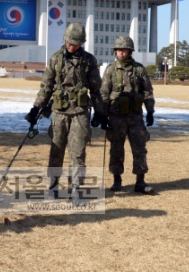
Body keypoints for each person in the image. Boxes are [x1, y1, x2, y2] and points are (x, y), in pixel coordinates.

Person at [25, 23, 103, 206]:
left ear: (81, 43)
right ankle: (53, 187)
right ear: (65, 39)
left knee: (78, 154)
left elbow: (96, 90)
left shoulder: (89, 61)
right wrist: (35, 109)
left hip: (80, 113)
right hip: (59, 112)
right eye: (69, 42)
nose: (71, 45)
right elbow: (46, 87)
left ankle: (76, 191)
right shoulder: (55, 59)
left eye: (75, 43)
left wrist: (101, 112)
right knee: (56, 151)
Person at [99, 36, 155, 193]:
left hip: (135, 117)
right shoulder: (110, 70)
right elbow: (104, 93)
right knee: (116, 149)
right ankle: (117, 180)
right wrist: (103, 115)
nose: (121, 52)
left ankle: (140, 181)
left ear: (130, 51)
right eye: (118, 50)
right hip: (116, 117)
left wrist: (150, 110)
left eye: (124, 50)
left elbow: (147, 91)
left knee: (139, 149)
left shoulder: (139, 69)